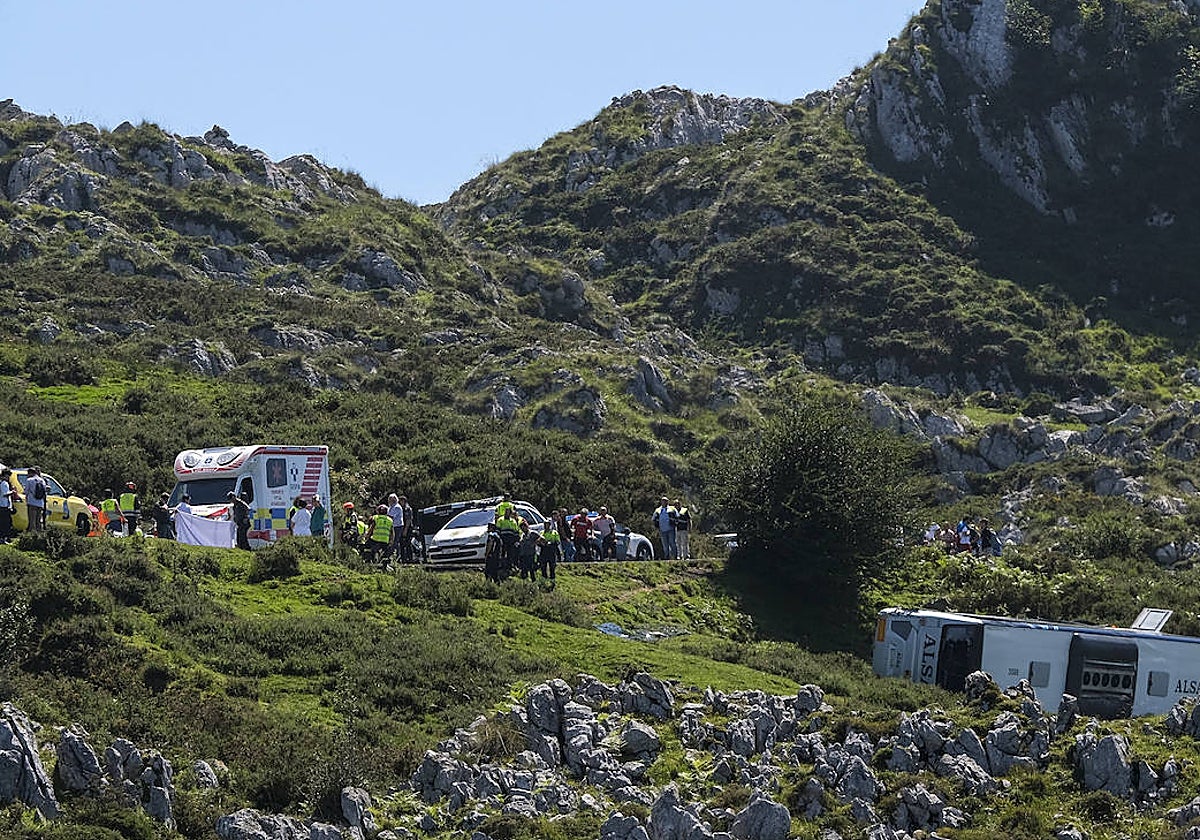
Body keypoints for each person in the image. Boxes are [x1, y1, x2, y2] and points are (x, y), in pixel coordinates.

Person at [495, 508, 522, 577]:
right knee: (502, 554)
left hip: (511, 541)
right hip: (503, 540)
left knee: (510, 554)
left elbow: (516, 531)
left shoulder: (513, 521)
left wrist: (516, 540)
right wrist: (499, 539)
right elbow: (498, 530)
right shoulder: (500, 520)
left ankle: (509, 567)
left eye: (508, 512)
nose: (507, 513)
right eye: (506, 512)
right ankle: (502, 567)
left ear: (510, 514)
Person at [23, 467, 47, 532]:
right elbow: (44, 491)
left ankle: (32, 534)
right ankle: (39, 534)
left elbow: (26, 491)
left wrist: (26, 499)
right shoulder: (42, 480)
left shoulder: (29, 480)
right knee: (38, 521)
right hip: (40, 503)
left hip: (32, 502)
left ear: (30, 473)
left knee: (32, 520)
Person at [387, 493, 404, 561]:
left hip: (397, 526)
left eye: (390, 499)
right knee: (392, 541)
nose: (389, 500)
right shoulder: (390, 507)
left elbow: (391, 516)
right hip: (392, 526)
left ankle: (396, 557)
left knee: (395, 541)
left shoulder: (397, 507)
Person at [398, 495, 415, 564]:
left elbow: (408, 520)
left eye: (401, 501)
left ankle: (410, 559)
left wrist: (405, 530)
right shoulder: (400, 508)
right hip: (402, 527)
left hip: (407, 528)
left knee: (408, 544)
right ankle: (403, 559)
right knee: (401, 544)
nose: (399, 502)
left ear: (404, 501)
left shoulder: (407, 509)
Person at [0, 468, 15, 542]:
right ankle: (3, 538)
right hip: (4, 505)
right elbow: (4, 494)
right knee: (5, 523)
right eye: (8, 475)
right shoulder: (4, 483)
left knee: (5, 522)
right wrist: (12, 492)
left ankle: (4, 538)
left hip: (4, 505)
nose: (9, 477)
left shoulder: (2, 483)